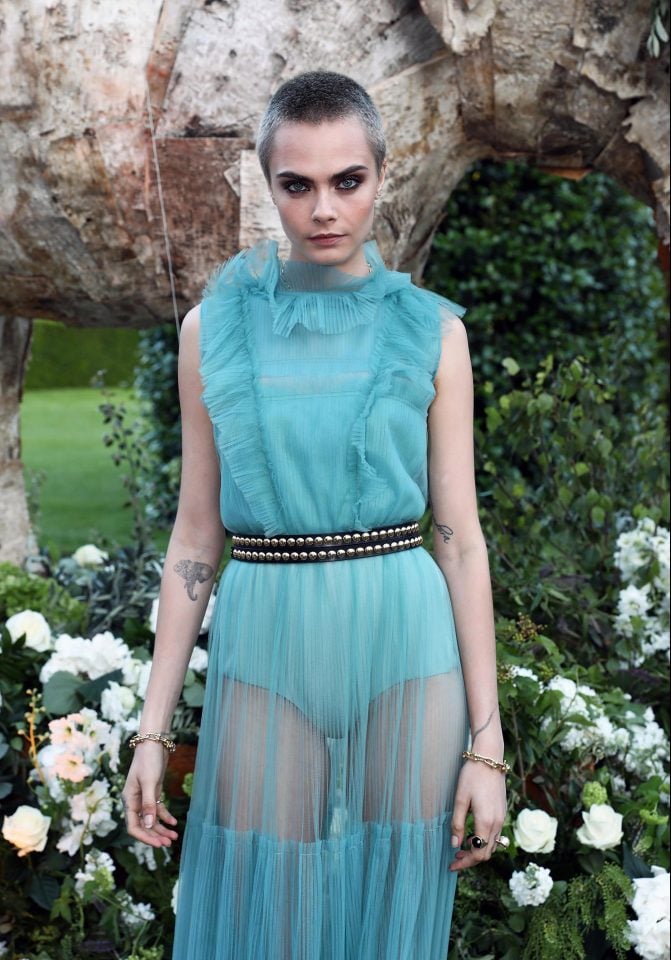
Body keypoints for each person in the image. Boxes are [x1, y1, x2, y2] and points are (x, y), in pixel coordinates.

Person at [122, 70, 507, 959]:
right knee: (269, 913)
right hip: (265, 645)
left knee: (392, 912)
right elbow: (194, 536)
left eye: (348, 180)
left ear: (381, 175)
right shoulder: (211, 330)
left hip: (407, 651)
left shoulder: (432, 332)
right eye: (297, 184)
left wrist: (485, 748)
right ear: (268, 182)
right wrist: (151, 729)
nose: (324, 209)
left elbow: (458, 541)